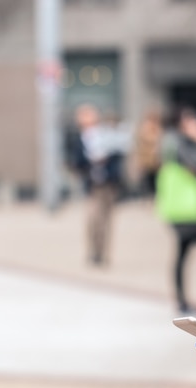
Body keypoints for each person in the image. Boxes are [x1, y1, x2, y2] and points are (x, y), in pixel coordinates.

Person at [159, 105, 196, 313]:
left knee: (183, 253)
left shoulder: (171, 141)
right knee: (182, 253)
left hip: (180, 206)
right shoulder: (179, 143)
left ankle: (182, 298)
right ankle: (181, 300)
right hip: (185, 208)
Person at [69, 104, 126, 266]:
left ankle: (104, 253)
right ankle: (94, 251)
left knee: (107, 220)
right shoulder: (80, 139)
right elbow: (77, 162)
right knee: (94, 219)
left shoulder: (107, 135)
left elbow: (119, 153)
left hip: (108, 183)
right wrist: (90, 165)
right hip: (93, 185)